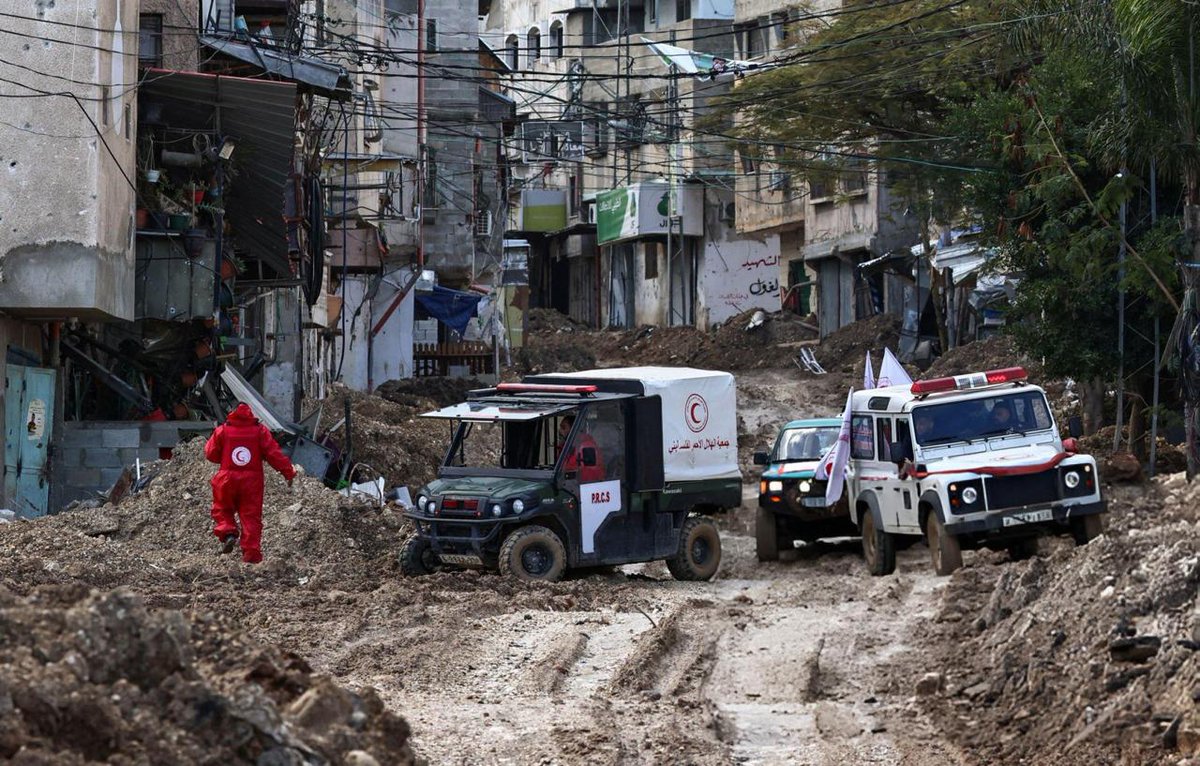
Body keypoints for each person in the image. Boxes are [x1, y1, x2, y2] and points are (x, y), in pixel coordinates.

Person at [205, 403, 296, 563]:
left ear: (232, 413)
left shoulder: (223, 430)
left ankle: (229, 533)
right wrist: (288, 472)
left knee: (222, 508)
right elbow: (274, 454)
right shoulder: (260, 431)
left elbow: (210, 453)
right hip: (252, 481)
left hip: (227, 478)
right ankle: (251, 555)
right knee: (251, 517)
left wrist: (224, 457)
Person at [556, 414, 605, 482]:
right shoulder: (566, 447)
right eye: (560, 428)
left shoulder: (586, 446)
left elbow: (590, 475)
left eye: (564, 428)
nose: (560, 431)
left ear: (574, 429)